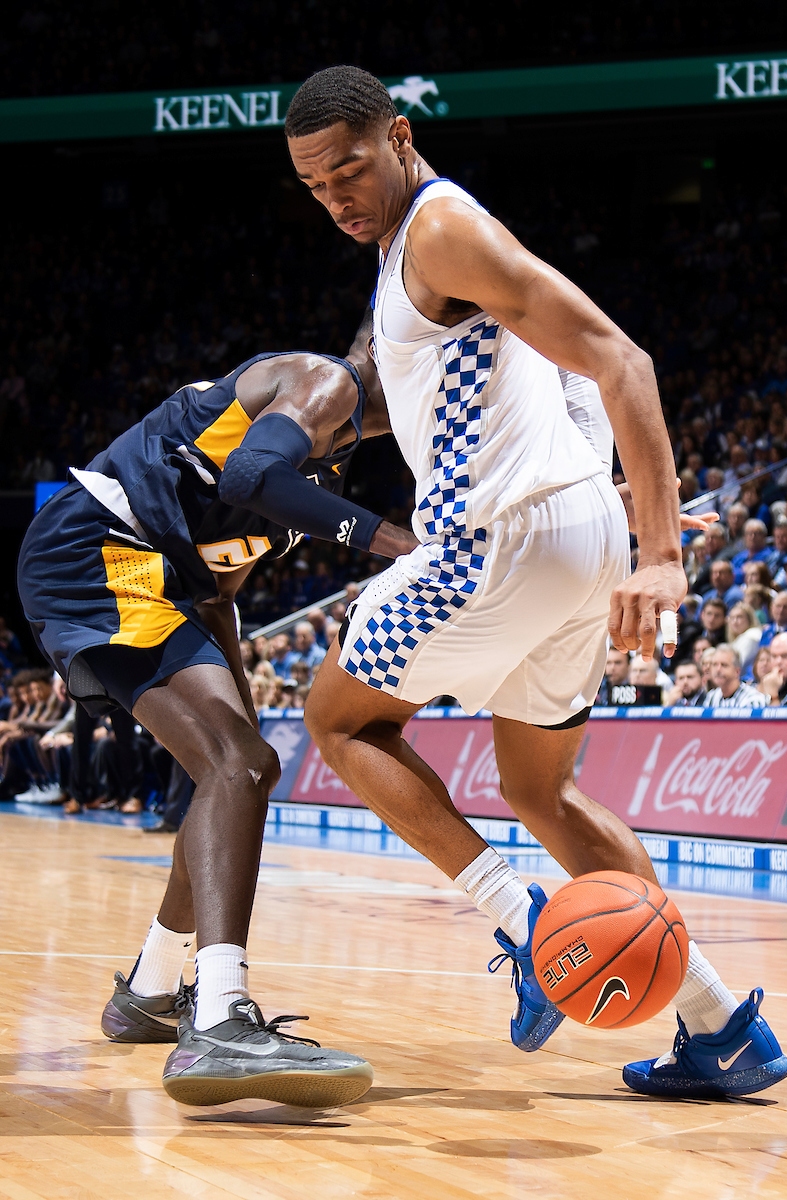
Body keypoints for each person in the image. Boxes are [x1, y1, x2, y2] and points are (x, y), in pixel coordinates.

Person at [286, 66, 787, 1099]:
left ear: (397, 136)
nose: (335, 196)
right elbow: (552, 396)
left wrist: (656, 553)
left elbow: (623, 361)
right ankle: (717, 1026)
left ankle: (524, 933)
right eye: (312, 186)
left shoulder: (435, 230)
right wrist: (604, 508)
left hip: (497, 549)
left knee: (334, 719)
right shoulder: (431, 251)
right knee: (535, 790)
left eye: (347, 168)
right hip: (563, 537)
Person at [18, 336, 419, 1107]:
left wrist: (240, 716)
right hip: (99, 552)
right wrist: (401, 547)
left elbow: (216, 594)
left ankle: (151, 989)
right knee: (236, 767)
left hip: (165, 585)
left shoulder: (329, 457)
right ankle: (221, 1018)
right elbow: (250, 474)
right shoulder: (320, 380)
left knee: (239, 770)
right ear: (385, 346)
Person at [760, 631, 787, 705]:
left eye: (785, 656)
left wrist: (773, 696)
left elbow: (775, 716)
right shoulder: (770, 683)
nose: (778, 662)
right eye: (774, 656)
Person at [725, 602, 762, 675]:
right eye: (732, 618)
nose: (735, 621)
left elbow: (741, 665)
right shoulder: (737, 640)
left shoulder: (751, 636)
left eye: (739, 617)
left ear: (749, 619)